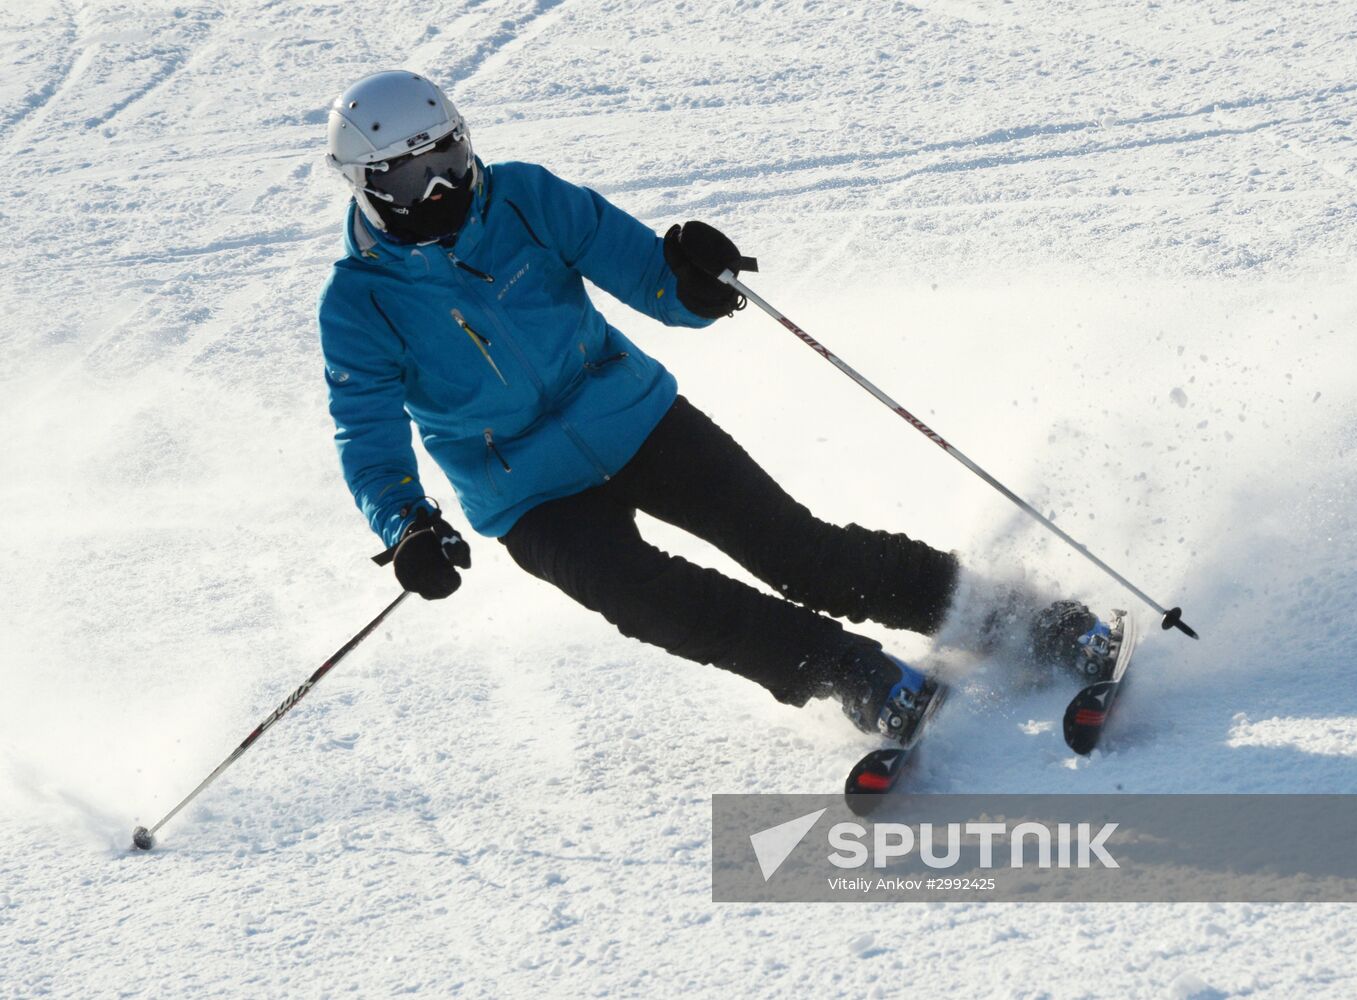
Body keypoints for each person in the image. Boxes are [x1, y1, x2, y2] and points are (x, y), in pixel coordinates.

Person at [319, 71, 1109, 745]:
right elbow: (369, 436)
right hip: (528, 497)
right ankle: (858, 676)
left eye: (451, 158)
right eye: (409, 177)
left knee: (803, 554)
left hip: (632, 418)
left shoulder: (524, 198)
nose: (444, 188)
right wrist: (407, 525)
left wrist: (696, 280)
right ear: (365, 185)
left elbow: (649, 278)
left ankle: (1031, 623)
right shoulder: (360, 304)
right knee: (661, 603)